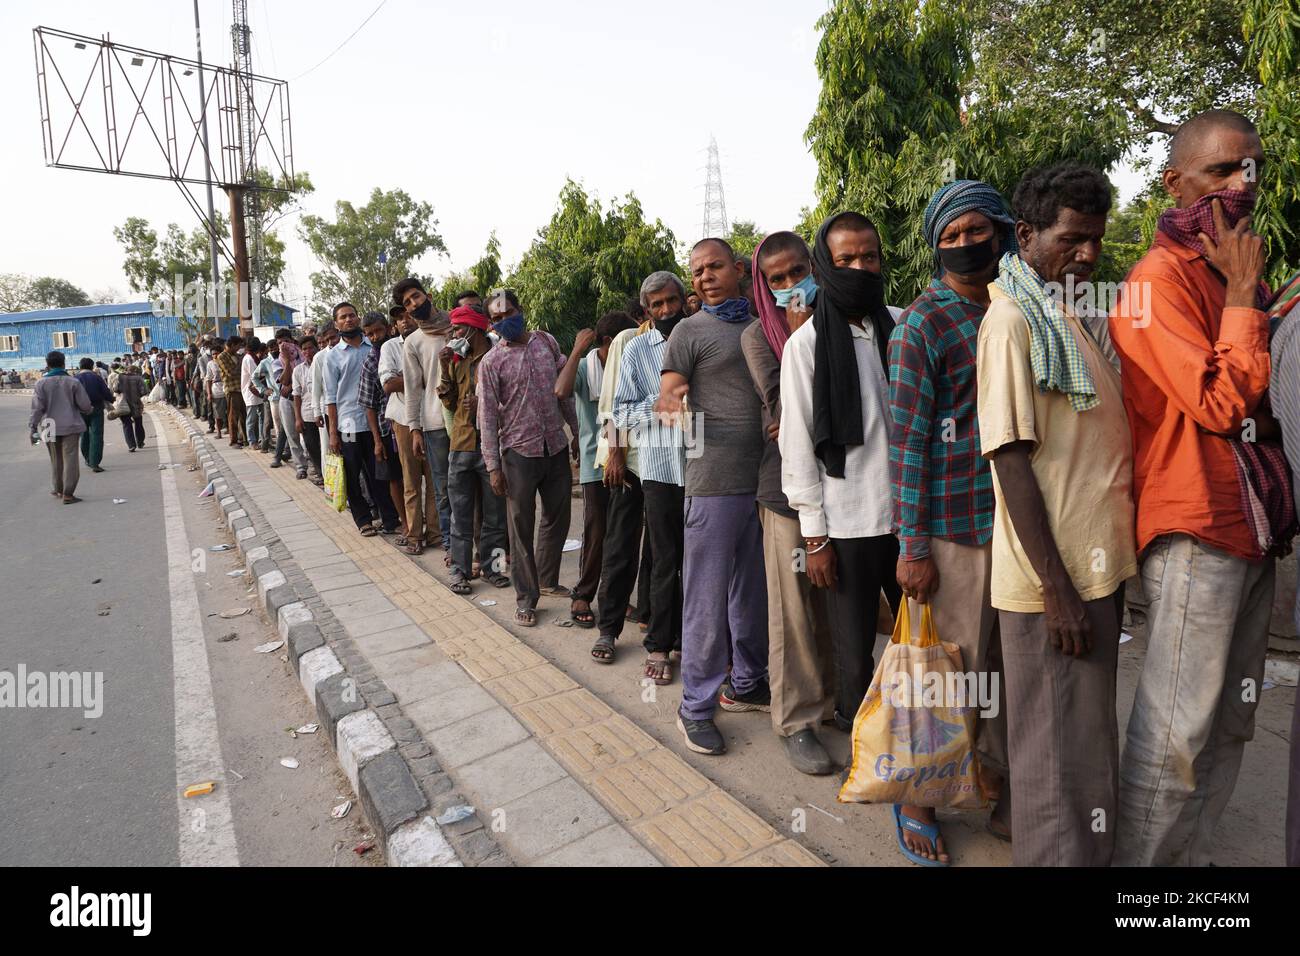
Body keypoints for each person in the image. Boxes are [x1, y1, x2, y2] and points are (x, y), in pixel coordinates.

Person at [1110, 110, 1289, 867]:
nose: (1241, 186)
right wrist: (1248, 297)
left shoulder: (1235, 272)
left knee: (1232, 720)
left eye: (1251, 169)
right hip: (1196, 526)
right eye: (1221, 171)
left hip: (1252, 524)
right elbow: (1220, 401)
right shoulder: (1158, 280)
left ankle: (1186, 861)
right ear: (1174, 181)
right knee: (1178, 728)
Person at [977, 163, 1134, 866]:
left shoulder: (1062, 311)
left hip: (1091, 570)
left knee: (1083, 742)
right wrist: (1058, 591)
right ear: (1028, 235)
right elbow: (1009, 459)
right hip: (1056, 584)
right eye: (1073, 240)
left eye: (1097, 240)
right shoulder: (1011, 320)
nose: (1089, 255)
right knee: (1050, 759)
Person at [886, 180, 1018, 861]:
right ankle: (919, 798)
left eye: (977, 231)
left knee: (1006, 665)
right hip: (954, 528)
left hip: (1017, 526)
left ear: (1001, 231)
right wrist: (913, 546)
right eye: (952, 235)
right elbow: (908, 443)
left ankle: (993, 777)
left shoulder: (1017, 304)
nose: (966, 244)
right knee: (948, 673)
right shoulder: (922, 324)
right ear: (936, 245)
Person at [658, 238, 768, 756]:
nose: (704, 277)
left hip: (768, 481)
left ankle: (745, 684)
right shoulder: (688, 330)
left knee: (752, 593)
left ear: (740, 269)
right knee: (705, 596)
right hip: (714, 481)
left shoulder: (764, 322)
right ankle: (694, 708)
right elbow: (671, 388)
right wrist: (672, 405)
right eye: (697, 271)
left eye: (714, 266)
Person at [744, 231, 836, 776]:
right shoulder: (759, 337)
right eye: (776, 280)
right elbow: (784, 414)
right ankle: (797, 721)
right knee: (793, 611)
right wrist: (801, 332)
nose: (789, 286)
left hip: (845, 489)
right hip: (785, 493)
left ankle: (838, 702)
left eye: (797, 272)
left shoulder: (848, 319)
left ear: (815, 268)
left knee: (834, 604)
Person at [478, 289, 579, 627]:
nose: (504, 321)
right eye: (496, 319)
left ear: (521, 310)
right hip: (518, 453)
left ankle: (547, 579)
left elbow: (564, 392)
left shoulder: (546, 342)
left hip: (555, 446)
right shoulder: (491, 363)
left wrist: (578, 432)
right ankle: (526, 598)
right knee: (520, 527)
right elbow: (488, 417)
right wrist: (493, 466)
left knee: (558, 516)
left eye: (508, 313)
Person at [614, 271, 691, 683]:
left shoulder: (701, 337)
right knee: (665, 560)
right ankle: (660, 643)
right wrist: (660, 401)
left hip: (704, 466)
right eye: (657, 305)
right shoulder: (636, 351)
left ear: (683, 300)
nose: (665, 311)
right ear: (647, 310)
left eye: (671, 302)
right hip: (660, 470)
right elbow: (620, 414)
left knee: (702, 561)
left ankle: (694, 641)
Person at [555, 311, 638, 628]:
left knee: (626, 535)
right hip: (595, 462)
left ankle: (617, 597)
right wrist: (577, 349)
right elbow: (561, 390)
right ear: (608, 343)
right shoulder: (587, 366)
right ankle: (583, 594)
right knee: (596, 531)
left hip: (629, 459)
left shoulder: (628, 366)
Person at [438, 304, 510, 593]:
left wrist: (485, 405)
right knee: (461, 514)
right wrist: (444, 366)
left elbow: (514, 400)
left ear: (473, 328)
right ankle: (459, 571)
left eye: (457, 328)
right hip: (461, 445)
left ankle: (494, 569)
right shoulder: (455, 359)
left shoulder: (498, 357)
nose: (454, 334)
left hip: (492, 446)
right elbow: (448, 401)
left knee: (495, 515)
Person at [321, 302, 402, 537]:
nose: (349, 320)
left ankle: (389, 519)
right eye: (343, 317)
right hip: (348, 425)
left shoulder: (374, 346)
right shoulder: (332, 356)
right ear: (336, 324)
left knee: (380, 474)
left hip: (377, 423)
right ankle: (363, 519)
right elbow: (331, 397)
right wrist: (333, 433)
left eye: (352, 315)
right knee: (353, 475)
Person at [397, 278, 454, 550]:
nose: (413, 304)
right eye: (407, 303)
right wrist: (415, 429)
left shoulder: (458, 327)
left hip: (467, 421)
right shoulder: (413, 342)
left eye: (416, 297)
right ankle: (450, 545)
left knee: (475, 488)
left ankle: (481, 545)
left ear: (428, 295)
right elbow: (413, 390)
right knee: (443, 490)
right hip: (434, 424)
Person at [359, 312, 408, 538]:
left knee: (415, 477)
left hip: (410, 422)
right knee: (394, 478)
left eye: (378, 331)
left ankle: (419, 520)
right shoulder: (370, 362)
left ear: (388, 328)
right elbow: (369, 405)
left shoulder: (403, 348)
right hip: (387, 428)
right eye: (369, 334)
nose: (375, 337)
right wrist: (377, 441)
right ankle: (405, 523)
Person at [30, 351, 91, 504]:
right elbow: (84, 405)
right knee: (70, 459)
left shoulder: (40, 383)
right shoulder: (73, 382)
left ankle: (58, 489)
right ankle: (68, 494)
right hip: (70, 424)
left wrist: (32, 428)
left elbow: (37, 409)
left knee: (55, 458)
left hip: (49, 425)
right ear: (63, 363)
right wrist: (89, 410)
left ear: (47, 364)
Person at [292, 335, 323, 483]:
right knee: (312, 447)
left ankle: (330, 475)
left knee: (327, 447)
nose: (307, 351)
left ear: (317, 347)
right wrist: (298, 418)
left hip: (323, 413)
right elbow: (296, 395)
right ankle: (320, 473)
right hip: (307, 414)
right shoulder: (298, 370)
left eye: (310, 347)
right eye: (304, 349)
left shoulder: (324, 363)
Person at [75, 356, 114, 474]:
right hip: (96, 408)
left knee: (84, 435)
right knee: (97, 435)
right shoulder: (96, 378)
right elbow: (106, 392)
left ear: (80, 366)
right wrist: (111, 399)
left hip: (80, 410)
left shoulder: (75, 379)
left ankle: (87, 458)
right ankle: (95, 462)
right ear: (92, 366)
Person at [217, 336, 245, 446]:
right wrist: (241, 363)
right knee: (233, 415)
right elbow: (230, 373)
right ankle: (233, 440)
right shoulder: (222, 356)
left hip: (241, 388)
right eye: (238, 346)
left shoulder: (237, 356)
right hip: (232, 389)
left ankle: (243, 438)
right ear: (232, 345)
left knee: (243, 415)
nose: (239, 349)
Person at [114, 364, 148, 452]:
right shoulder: (138, 378)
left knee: (126, 424)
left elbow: (115, 389)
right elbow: (144, 391)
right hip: (136, 404)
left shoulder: (120, 377)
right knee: (138, 423)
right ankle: (140, 442)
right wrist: (137, 395)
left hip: (123, 404)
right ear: (135, 371)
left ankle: (131, 445)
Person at [241, 338, 266, 449]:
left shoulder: (254, 357)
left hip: (258, 391)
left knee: (262, 417)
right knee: (251, 418)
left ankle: (262, 439)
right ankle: (252, 441)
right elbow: (256, 374)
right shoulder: (249, 359)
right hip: (251, 391)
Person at [204, 339, 226, 442]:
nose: (215, 356)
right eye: (213, 354)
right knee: (217, 414)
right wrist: (209, 393)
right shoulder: (210, 364)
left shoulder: (225, 361)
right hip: (216, 390)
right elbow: (208, 379)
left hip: (227, 389)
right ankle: (218, 432)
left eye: (216, 353)